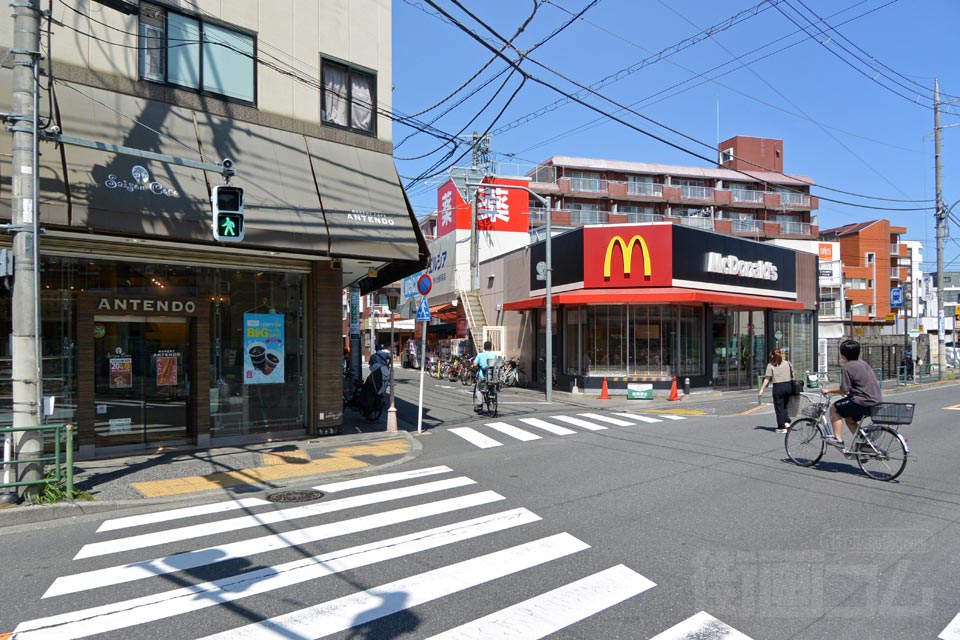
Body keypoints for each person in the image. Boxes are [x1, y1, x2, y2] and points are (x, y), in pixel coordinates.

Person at [823, 339, 882, 450]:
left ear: (843, 354)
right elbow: (860, 384)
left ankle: (838, 440)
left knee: (834, 409)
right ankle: (865, 444)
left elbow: (844, 390)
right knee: (849, 419)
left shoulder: (847, 367)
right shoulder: (864, 363)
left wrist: (828, 390)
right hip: (876, 400)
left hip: (863, 401)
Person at [758, 349, 794, 433]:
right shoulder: (787, 363)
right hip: (788, 386)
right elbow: (792, 374)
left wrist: (762, 389)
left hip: (778, 387)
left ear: (772, 355)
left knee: (779, 407)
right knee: (784, 405)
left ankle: (782, 427)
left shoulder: (770, 365)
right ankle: (786, 422)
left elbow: (767, 378)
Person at [472, 341, 498, 413]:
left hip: (483, 376)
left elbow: (475, 364)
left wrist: (474, 366)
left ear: (484, 347)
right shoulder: (494, 355)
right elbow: (497, 365)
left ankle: (479, 404)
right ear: (491, 347)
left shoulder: (480, 355)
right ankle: (492, 396)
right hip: (492, 376)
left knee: (479, 389)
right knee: (492, 385)